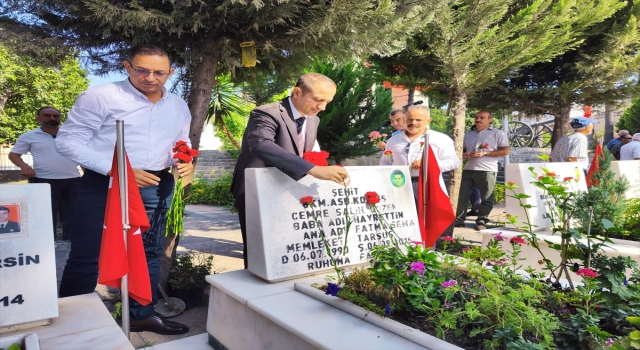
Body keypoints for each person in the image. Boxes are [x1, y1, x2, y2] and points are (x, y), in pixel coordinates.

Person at [55, 45, 192, 335]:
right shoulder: (101, 97)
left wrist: (185, 159)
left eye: (159, 72)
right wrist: (117, 170)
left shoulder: (178, 105)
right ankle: (69, 326)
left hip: (156, 184)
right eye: (142, 70)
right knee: (87, 254)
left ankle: (141, 314)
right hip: (104, 183)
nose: (150, 78)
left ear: (171, 72)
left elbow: (181, 142)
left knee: (149, 251)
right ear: (127, 66)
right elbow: (67, 141)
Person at [231, 73, 350, 269]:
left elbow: (302, 151)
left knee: (286, 246)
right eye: (318, 100)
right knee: (259, 249)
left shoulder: (313, 120)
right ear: (297, 92)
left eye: (327, 102)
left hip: (289, 188)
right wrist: (312, 169)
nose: (323, 107)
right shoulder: (265, 113)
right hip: (257, 190)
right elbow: (261, 145)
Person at [9, 106, 81, 240]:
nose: (52, 118)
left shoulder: (70, 135)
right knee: (46, 212)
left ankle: (72, 239)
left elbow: (80, 154)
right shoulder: (29, 136)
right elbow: (14, 155)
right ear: (38, 118)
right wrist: (24, 167)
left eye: (55, 116)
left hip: (73, 179)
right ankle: (47, 240)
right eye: (47, 115)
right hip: (44, 179)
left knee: (75, 211)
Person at [380, 105, 460, 202]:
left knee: (426, 217)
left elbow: (454, 161)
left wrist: (428, 164)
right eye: (410, 119)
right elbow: (384, 162)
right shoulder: (393, 140)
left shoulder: (440, 138)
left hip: (428, 186)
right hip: (399, 186)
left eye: (418, 120)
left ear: (428, 120)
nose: (413, 123)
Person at [454, 111, 510, 231]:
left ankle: (481, 221)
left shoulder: (497, 133)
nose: (478, 119)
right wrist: (465, 154)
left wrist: (484, 153)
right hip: (468, 169)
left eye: (482, 118)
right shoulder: (468, 134)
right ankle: (458, 221)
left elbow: (506, 151)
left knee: (487, 198)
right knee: (461, 197)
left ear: (490, 119)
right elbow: (461, 150)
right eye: (476, 117)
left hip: (487, 170)